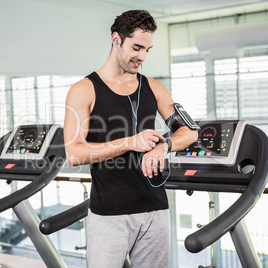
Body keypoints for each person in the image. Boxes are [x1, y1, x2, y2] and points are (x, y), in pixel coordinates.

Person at [64, 10, 198, 267]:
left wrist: (164, 146)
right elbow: (74, 153)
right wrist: (129, 142)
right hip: (109, 215)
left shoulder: (154, 87)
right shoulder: (83, 90)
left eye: (148, 49)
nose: (142, 57)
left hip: (155, 210)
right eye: (137, 47)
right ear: (117, 39)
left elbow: (189, 132)